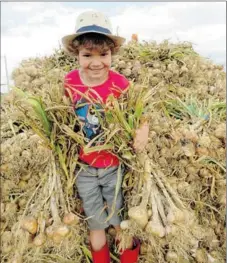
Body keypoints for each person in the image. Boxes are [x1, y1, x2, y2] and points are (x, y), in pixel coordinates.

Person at [62, 10, 149, 263]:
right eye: (87, 55)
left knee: (121, 220)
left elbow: (141, 112)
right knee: (95, 222)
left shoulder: (120, 83)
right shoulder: (69, 82)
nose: (96, 62)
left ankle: (127, 258)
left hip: (114, 166)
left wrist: (143, 130)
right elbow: (63, 114)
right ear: (76, 54)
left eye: (104, 54)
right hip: (84, 168)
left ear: (112, 53)